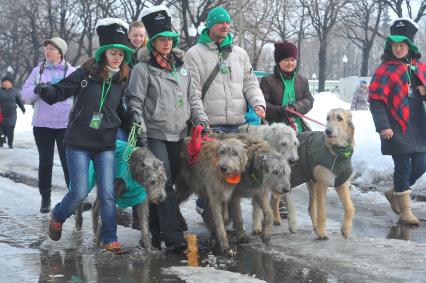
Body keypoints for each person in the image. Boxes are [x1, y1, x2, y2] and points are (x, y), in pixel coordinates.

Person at [35, 18, 135, 252]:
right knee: (79, 192)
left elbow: (119, 109)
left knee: (108, 193)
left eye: (121, 54)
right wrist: (47, 90)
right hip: (79, 141)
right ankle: (58, 216)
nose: (117, 58)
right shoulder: (85, 73)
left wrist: (131, 122)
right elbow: (61, 90)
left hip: (105, 142)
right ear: (103, 53)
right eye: (113, 53)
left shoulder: (121, 79)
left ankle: (109, 238)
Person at [126, 5, 208, 253]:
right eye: (161, 39)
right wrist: (139, 127)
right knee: (163, 183)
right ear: (153, 42)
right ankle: (174, 238)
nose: (166, 43)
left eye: (169, 39)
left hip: (180, 134)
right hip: (154, 134)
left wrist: (201, 120)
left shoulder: (182, 67)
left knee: (171, 183)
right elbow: (135, 102)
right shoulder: (142, 69)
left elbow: (193, 97)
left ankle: (151, 230)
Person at [183, 6, 266, 213]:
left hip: (238, 124)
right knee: (216, 173)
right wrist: (201, 119)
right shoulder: (193, 54)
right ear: (210, 25)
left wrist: (258, 103)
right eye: (221, 22)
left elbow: (250, 82)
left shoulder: (240, 54)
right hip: (212, 125)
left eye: (228, 22)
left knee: (235, 172)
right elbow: (192, 91)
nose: (225, 26)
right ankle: (207, 207)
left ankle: (227, 215)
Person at [369, 18, 426, 226]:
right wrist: (383, 126)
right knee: (402, 167)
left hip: (418, 126)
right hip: (395, 127)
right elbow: (376, 101)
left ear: (409, 46)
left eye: (402, 45)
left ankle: (396, 193)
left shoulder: (420, 68)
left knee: (421, 164)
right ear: (390, 47)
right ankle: (405, 211)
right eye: (395, 45)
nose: (398, 49)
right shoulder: (385, 70)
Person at [21, 37, 76, 213]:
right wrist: (36, 89)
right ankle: (45, 199)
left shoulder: (71, 71)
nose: (48, 51)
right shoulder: (38, 71)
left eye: (52, 48)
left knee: (68, 163)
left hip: (65, 125)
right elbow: (25, 94)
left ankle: (74, 199)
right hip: (42, 125)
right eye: (47, 48)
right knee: (45, 162)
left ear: (61, 52)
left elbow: (79, 95)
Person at [260, 41, 313, 132]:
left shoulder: (302, 81)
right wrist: (280, 111)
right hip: (275, 129)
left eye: (293, 60)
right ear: (278, 61)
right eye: (286, 60)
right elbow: (263, 104)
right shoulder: (267, 81)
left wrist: (295, 108)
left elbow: (309, 100)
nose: (290, 63)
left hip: (298, 128)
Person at [0, 76, 25, 148]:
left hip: (12, 113)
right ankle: (1, 141)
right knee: (2, 129)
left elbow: (19, 101)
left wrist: (23, 109)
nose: (6, 83)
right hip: (2, 113)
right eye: (5, 82)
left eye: (8, 82)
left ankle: (10, 143)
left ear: (11, 83)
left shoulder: (14, 91)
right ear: (2, 83)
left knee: (11, 127)